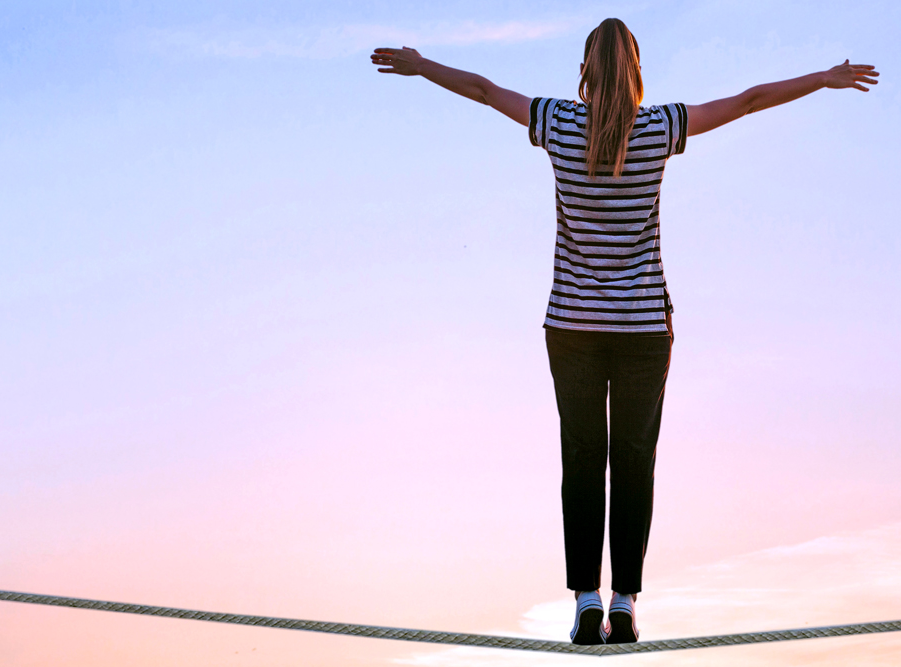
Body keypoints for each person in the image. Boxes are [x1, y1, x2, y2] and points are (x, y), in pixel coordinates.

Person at [369, 17, 878, 645]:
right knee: (634, 462)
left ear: (585, 69)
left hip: (574, 326)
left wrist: (423, 66)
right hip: (642, 331)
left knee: (582, 458)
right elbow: (747, 101)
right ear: (636, 70)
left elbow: (480, 87)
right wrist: (822, 80)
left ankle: (586, 599)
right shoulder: (660, 127)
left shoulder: (556, 122)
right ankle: (625, 601)